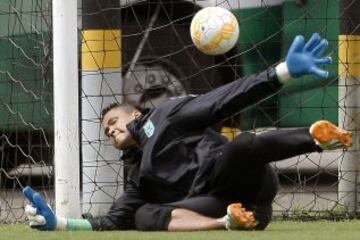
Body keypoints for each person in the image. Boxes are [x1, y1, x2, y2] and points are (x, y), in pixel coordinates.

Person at [23, 33, 352, 231]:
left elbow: (222, 100)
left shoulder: (167, 114)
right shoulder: (138, 178)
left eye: (113, 121)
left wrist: (280, 73)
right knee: (142, 216)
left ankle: (316, 138)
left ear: (136, 113)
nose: (110, 130)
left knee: (244, 145)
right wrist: (60, 224)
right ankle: (226, 225)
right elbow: (113, 222)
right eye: (106, 131)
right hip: (227, 208)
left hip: (237, 175)